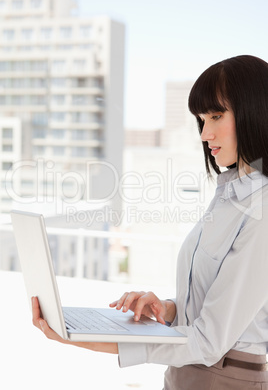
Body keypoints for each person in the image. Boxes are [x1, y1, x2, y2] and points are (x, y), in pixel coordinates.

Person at [32, 54, 268, 389]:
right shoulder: (229, 195)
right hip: (187, 374)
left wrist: (82, 338)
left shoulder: (262, 210)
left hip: (226, 378)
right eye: (202, 119)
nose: (204, 133)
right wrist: (169, 309)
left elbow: (209, 341)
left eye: (216, 116)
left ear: (255, 111)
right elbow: (215, 306)